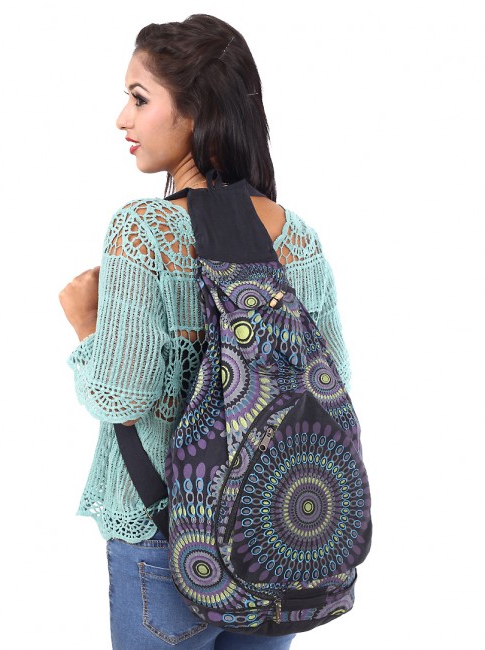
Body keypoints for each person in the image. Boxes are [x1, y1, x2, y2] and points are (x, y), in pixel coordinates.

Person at [59, 13, 352, 650]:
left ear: (195, 113)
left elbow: (120, 396)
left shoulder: (143, 231)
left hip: (165, 537)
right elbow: (334, 386)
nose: (122, 119)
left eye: (140, 99)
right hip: (274, 540)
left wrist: (87, 324)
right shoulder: (297, 238)